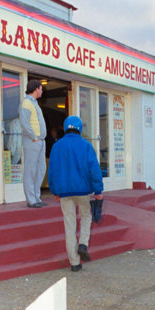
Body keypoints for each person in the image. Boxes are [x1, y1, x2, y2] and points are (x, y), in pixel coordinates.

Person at [48, 115, 103, 272]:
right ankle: (83, 244)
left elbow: (52, 171)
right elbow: (94, 169)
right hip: (83, 191)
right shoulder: (86, 145)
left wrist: (54, 191)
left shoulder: (57, 146)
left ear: (65, 128)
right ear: (79, 128)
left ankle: (74, 263)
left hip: (64, 192)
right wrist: (98, 190)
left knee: (69, 224)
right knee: (86, 216)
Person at [19, 79, 47, 208]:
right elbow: (24, 123)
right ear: (36, 89)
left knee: (41, 169)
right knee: (30, 170)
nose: (42, 91)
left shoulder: (34, 103)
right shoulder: (26, 102)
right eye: (41, 89)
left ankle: (36, 197)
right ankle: (31, 199)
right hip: (33, 141)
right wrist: (34, 137)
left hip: (40, 140)